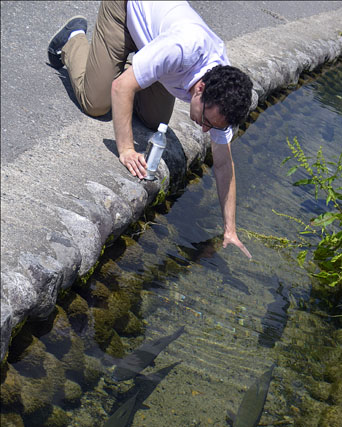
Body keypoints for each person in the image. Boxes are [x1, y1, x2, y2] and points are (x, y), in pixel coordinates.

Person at [48, 1, 253, 258]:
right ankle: (72, 40)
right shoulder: (182, 49)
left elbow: (223, 163)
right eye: (206, 121)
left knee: (153, 120)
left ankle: (129, 67)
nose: (203, 129)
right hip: (125, 11)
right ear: (201, 89)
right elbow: (120, 89)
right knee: (97, 102)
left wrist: (230, 229)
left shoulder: (223, 96)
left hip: (156, 44)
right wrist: (126, 149)